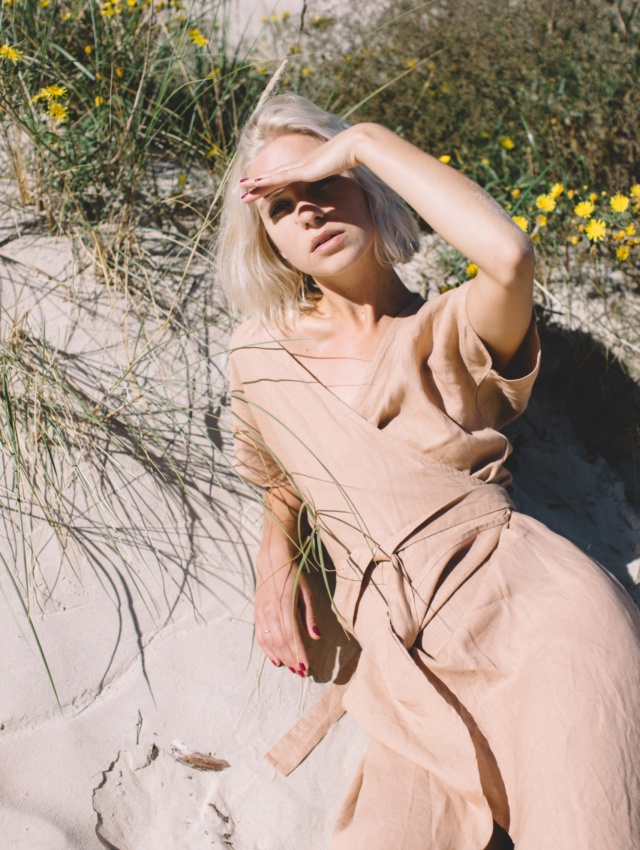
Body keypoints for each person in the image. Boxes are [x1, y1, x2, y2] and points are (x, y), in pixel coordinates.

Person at [217, 93, 640, 849]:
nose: (308, 210)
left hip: (540, 618)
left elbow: (509, 255)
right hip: (403, 666)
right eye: (281, 205)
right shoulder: (257, 355)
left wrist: (364, 140)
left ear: (369, 187)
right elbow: (279, 466)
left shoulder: (451, 325)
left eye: (326, 184)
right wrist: (274, 558)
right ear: (270, 240)